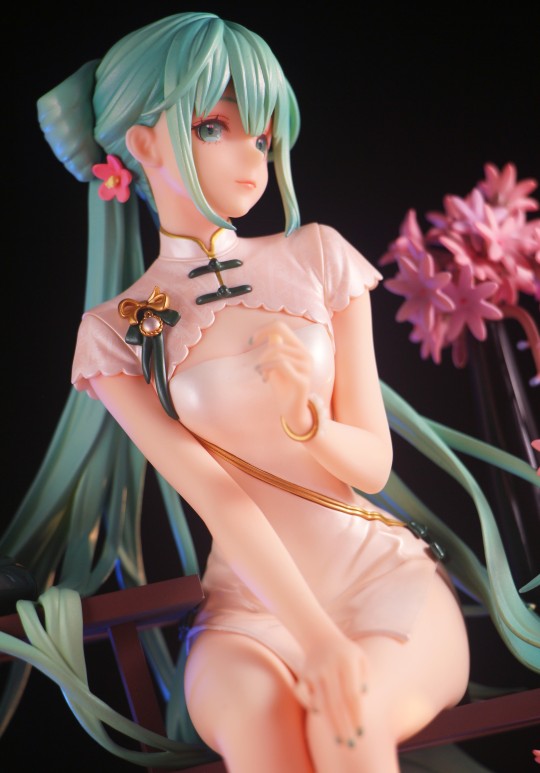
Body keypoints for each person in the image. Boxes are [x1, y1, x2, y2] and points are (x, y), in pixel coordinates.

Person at [1, 11, 538, 773]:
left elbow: (373, 465)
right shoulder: (116, 330)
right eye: (214, 127)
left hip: (385, 582)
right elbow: (219, 496)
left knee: (347, 726)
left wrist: (311, 424)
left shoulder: (317, 256)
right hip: (246, 612)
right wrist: (316, 639)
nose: (252, 159)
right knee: (268, 736)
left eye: (263, 136)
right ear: (143, 144)